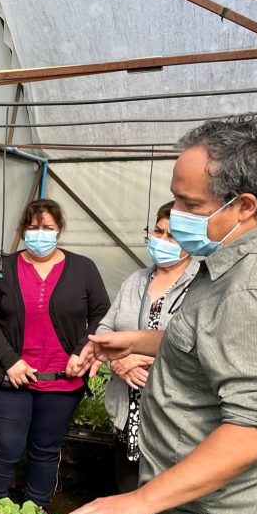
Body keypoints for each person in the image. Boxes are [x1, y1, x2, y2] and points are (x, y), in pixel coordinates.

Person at [58, 117, 257, 514]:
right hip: (208, 511)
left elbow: (253, 432)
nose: (176, 215)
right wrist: (136, 340)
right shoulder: (252, 254)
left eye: (188, 204)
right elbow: (218, 341)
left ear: (243, 205)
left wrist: (140, 500)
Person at [0, 199, 110, 509]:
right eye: (33, 228)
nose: (40, 234)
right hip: (12, 378)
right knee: (5, 447)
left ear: (59, 230)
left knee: (45, 449)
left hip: (62, 379)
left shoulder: (83, 268)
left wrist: (82, 351)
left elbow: (102, 311)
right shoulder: (3, 268)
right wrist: (9, 360)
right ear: (23, 230)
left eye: (47, 228)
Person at [95, 201, 199, 493]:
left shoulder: (202, 286)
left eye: (173, 236)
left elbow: (200, 344)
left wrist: (137, 356)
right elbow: (105, 328)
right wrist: (116, 361)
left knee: (166, 500)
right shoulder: (136, 281)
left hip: (173, 421)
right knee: (126, 491)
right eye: (158, 231)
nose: (162, 241)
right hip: (126, 414)